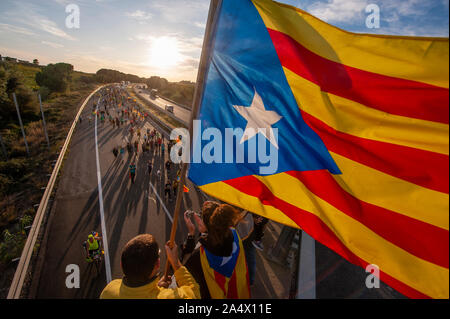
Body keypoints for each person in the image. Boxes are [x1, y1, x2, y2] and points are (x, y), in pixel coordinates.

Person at [181, 203, 250, 299]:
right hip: (234, 290)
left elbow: (184, 267)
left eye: (201, 216)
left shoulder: (201, 255)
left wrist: (191, 234)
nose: (198, 218)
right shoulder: (233, 233)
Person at [100, 234, 200, 299]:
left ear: (122, 265)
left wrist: (157, 288)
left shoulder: (109, 290)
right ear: (157, 264)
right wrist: (176, 262)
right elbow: (194, 294)